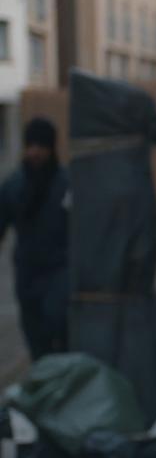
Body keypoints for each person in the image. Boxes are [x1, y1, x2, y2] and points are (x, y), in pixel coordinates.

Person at [0, 118, 69, 360]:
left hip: (59, 271)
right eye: (31, 145)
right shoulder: (14, 185)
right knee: (34, 335)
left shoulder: (66, 184)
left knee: (58, 328)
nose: (35, 151)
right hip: (27, 272)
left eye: (41, 145)